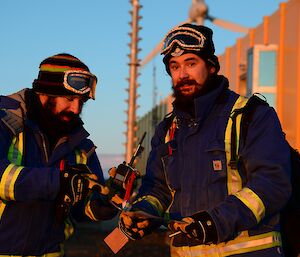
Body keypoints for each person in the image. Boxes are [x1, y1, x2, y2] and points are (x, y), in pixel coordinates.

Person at [118, 23, 292, 256]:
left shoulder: (251, 115)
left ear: (211, 67)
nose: (183, 74)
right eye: (174, 66)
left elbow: (271, 184)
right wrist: (142, 213)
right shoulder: (168, 130)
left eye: (191, 63)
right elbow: (158, 190)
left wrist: (214, 222)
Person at [0, 53, 118, 256]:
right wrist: (58, 182)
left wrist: (101, 205)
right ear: (44, 93)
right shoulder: (4, 117)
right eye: (70, 98)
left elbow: (80, 208)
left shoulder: (81, 145)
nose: (76, 109)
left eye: (82, 102)